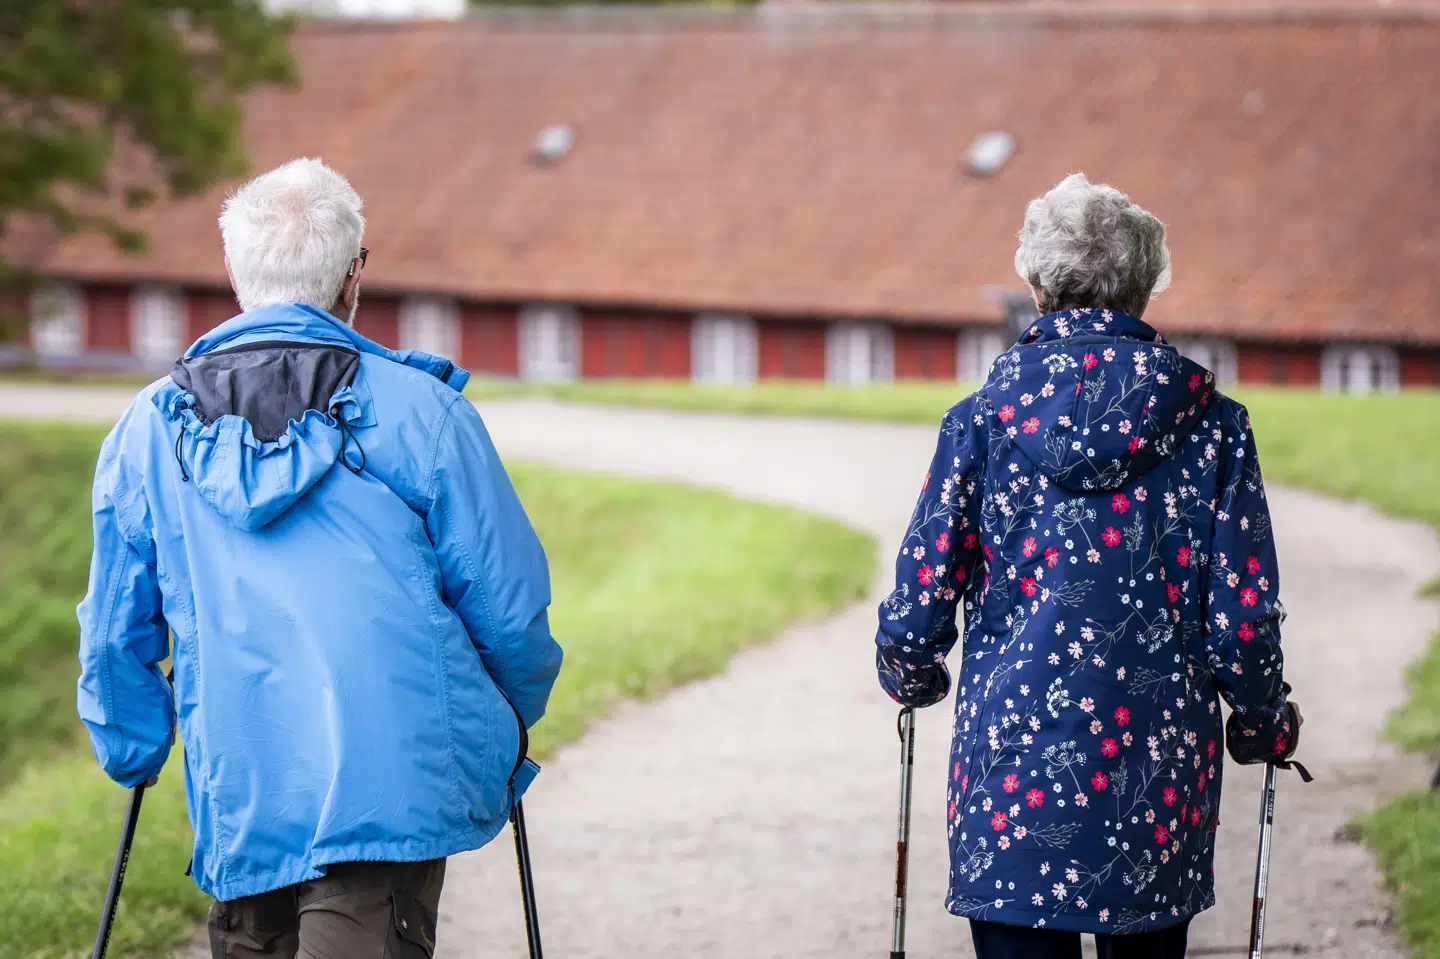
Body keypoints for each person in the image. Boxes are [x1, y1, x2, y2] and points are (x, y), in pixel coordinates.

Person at [77, 158, 563, 958]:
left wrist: (132, 743)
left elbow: (115, 631)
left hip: (243, 783)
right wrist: (505, 725)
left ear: (236, 276)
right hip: (394, 781)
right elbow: (511, 612)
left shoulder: (147, 432)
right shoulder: (425, 413)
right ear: (352, 276)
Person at [874, 173, 1302, 959]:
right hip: (1156, 776)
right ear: (1142, 287)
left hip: (1011, 773)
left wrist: (911, 673)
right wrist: (1261, 717)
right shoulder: (1214, 429)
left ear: (1037, 286)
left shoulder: (980, 425)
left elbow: (919, 604)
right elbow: (1243, 621)